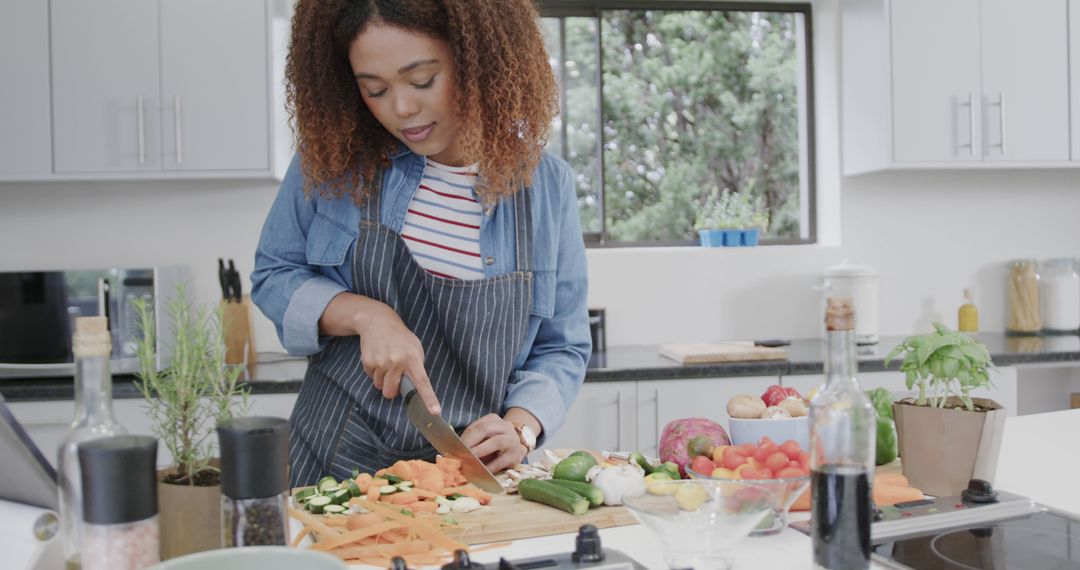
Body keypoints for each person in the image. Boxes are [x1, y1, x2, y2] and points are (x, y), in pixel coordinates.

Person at [251, 0, 590, 487]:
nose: (401, 108)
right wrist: (365, 315)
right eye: (375, 89)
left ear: (479, 63)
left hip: (468, 477)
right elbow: (273, 275)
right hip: (332, 463)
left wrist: (522, 425)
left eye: (422, 80)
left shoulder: (546, 186)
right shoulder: (333, 162)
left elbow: (563, 346)